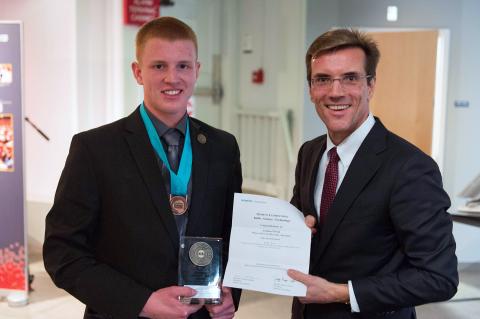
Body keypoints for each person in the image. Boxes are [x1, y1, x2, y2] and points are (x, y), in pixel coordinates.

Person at [43, 17, 242, 319]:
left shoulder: (222, 148)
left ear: (197, 71)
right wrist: (142, 302)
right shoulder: (95, 149)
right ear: (138, 72)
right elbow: (63, 253)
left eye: (183, 66)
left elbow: (234, 235)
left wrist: (230, 291)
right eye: (159, 66)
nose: (172, 78)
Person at [287, 28, 458, 319]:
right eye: (323, 79)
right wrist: (296, 228)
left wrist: (342, 293)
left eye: (350, 78)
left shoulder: (410, 167)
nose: (335, 91)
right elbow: (306, 226)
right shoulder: (310, 152)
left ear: (371, 85)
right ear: (311, 89)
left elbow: (439, 277)